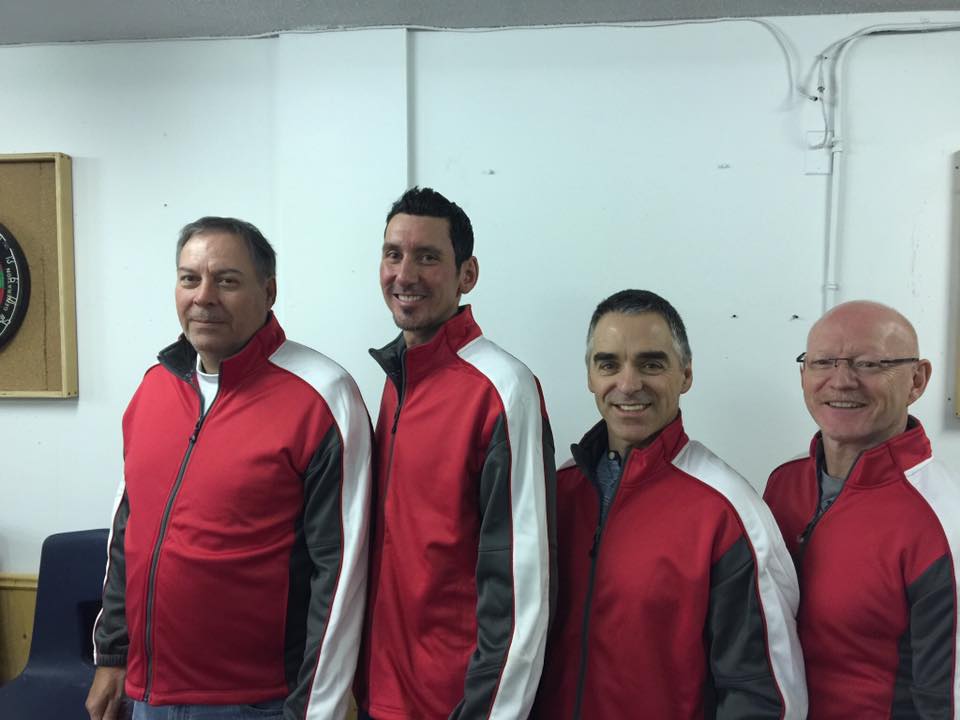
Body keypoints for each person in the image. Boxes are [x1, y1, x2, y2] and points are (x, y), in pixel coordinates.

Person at [86, 217, 372, 720]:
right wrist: (112, 656)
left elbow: (342, 573)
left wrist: (316, 710)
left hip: (255, 703)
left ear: (270, 291)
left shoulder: (323, 396)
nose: (204, 296)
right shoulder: (155, 386)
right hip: (147, 696)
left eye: (227, 280)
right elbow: (127, 531)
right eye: (189, 278)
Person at [534, 289, 807, 720]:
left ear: (686, 374)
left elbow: (762, 694)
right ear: (589, 376)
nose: (627, 384)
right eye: (608, 364)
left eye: (651, 364)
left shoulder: (727, 510)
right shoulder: (556, 491)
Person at [355, 187, 556, 720]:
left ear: (467, 274)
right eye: (393, 254)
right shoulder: (395, 380)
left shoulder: (503, 388)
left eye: (428, 257)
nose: (405, 274)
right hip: (382, 695)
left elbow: (520, 582)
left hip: (455, 703)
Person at [764, 300, 959, 718]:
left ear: (917, 380)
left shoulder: (943, 519)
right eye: (823, 362)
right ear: (803, 375)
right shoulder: (782, 484)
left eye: (869, 364)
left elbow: (947, 699)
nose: (841, 381)